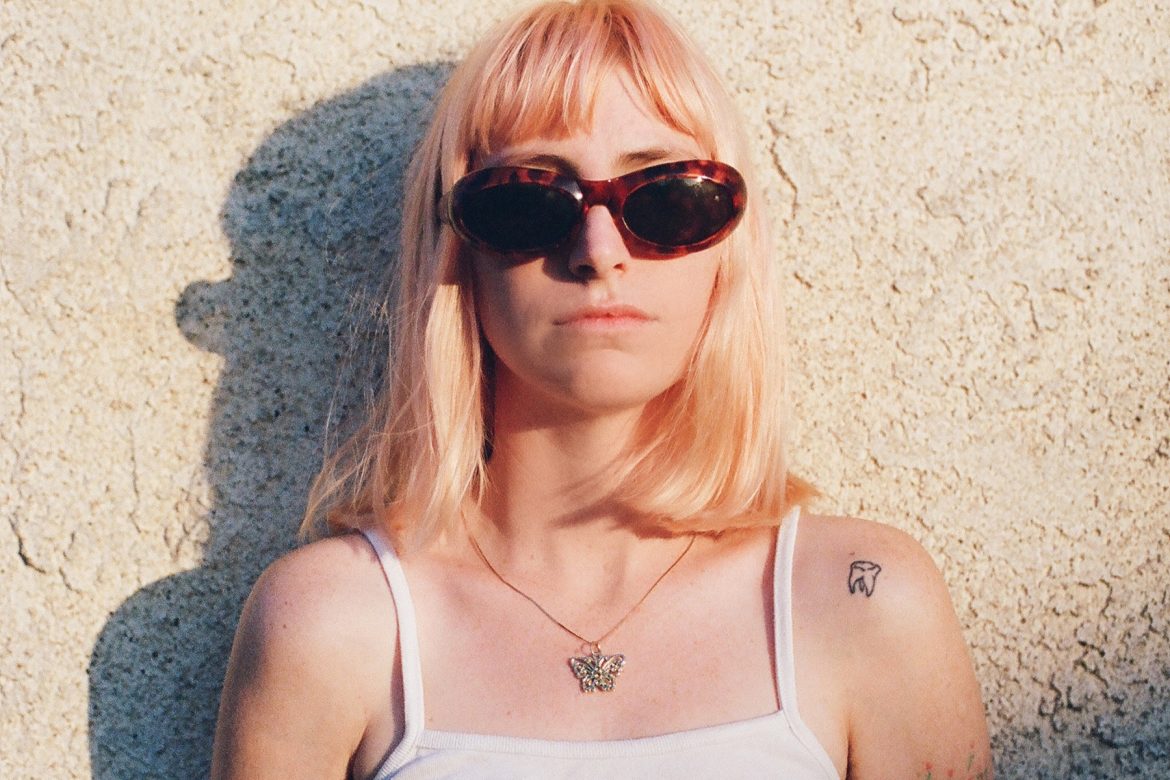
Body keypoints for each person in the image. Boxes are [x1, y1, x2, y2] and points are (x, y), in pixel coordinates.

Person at [211, 1, 993, 778]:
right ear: (454, 249)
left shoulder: (862, 603)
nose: (599, 249)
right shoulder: (331, 624)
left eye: (668, 197)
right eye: (529, 198)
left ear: (729, 249)